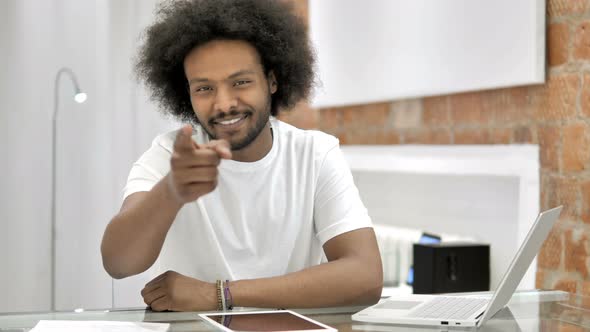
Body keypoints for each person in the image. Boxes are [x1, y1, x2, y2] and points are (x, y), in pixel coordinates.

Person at [101, 0, 383, 312]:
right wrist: (171, 191)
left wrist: (219, 294)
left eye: (241, 82)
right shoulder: (170, 156)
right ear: (187, 94)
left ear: (272, 81)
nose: (223, 104)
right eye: (204, 89)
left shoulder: (315, 154)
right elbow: (118, 263)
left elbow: (365, 276)